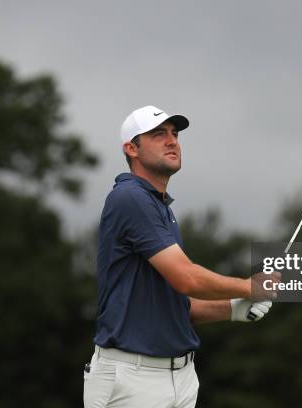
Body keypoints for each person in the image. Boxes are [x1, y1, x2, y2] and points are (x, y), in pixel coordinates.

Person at [83, 105, 277, 408]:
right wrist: (247, 287)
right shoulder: (129, 198)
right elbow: (186, 278)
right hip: (132, 381)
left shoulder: (161, 209)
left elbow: (173, 306)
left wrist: (233, 309)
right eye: (159, 134)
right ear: (131, 148)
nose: (172, 141)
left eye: (174, 134)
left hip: (180, 379)